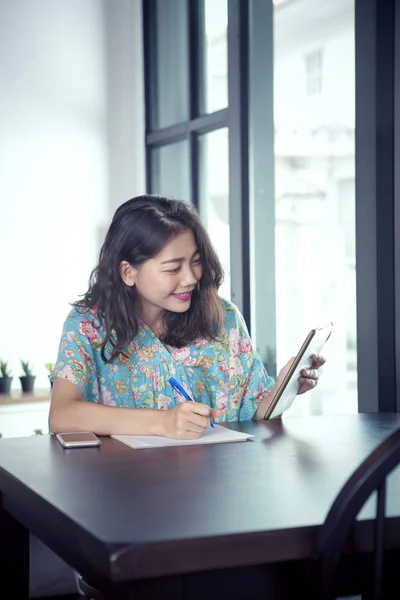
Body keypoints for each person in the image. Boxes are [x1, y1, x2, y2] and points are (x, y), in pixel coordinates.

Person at [49, 194, 325, 436]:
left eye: (195, 262)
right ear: (128, 272)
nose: (191, 278)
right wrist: (164, 422)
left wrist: (284, 387)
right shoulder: (87, 325)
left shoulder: (223, 317)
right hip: (123, 484)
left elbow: (253, 415)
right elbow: (62, 415)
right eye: (173, 269)